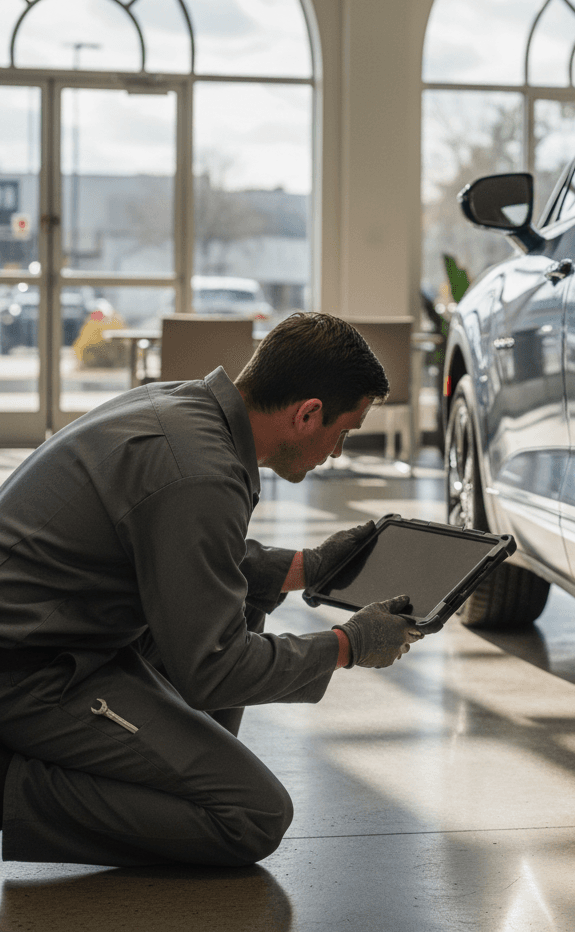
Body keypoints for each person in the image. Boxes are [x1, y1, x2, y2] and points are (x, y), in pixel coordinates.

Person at [0, 311, 424, 867]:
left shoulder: (185, 408)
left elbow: (181, 551)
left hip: (67, 631)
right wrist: (348, 645)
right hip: (31, 672)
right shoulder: (199, 473)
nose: (338, 451)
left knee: (246, 598)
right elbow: (213, 670)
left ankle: (178, 768)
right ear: (308, 413)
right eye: (343, 432)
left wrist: (307, 567)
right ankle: (11, 786)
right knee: (251, 816)